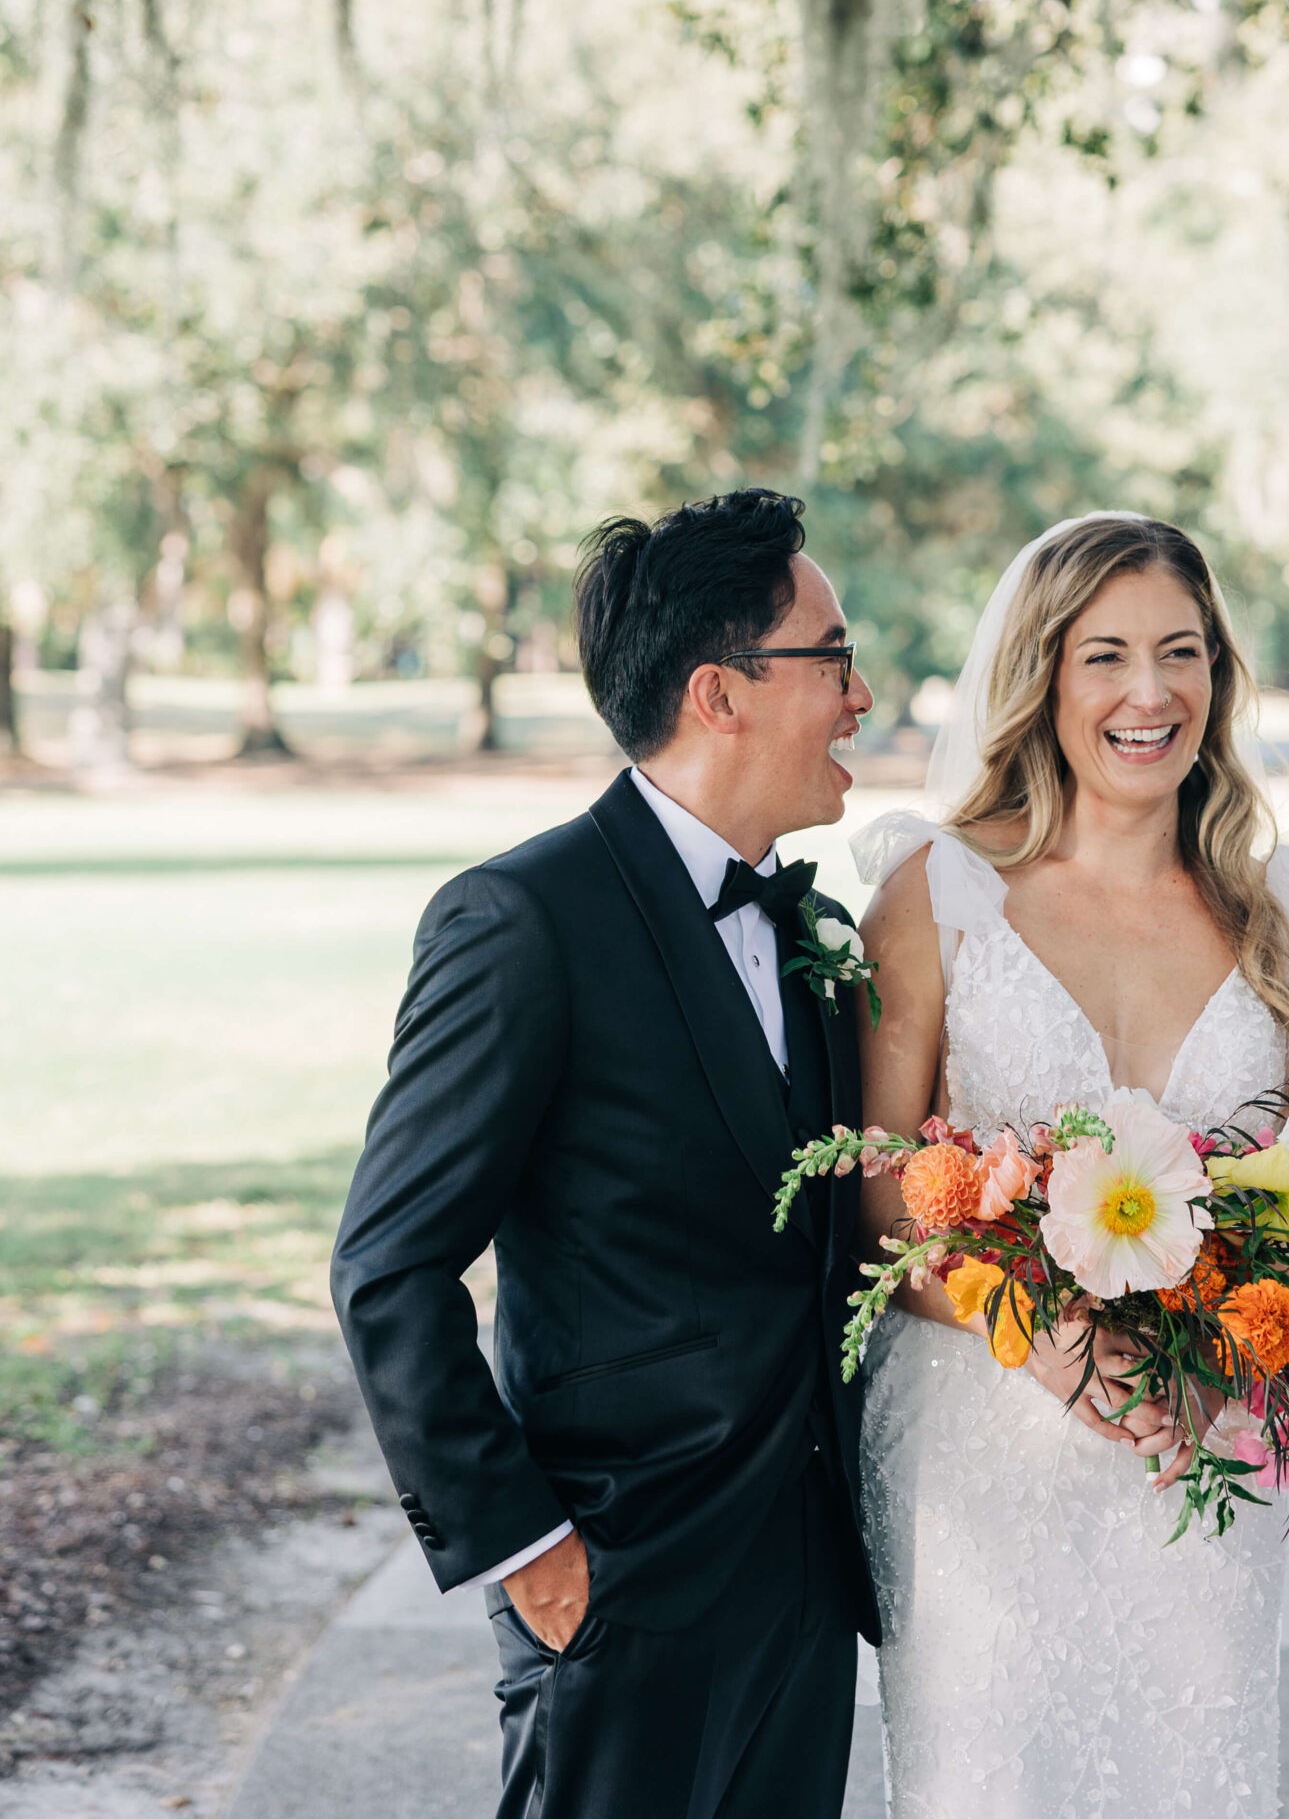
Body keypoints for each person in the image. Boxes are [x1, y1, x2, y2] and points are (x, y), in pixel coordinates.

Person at [331, 488, 880, 1819]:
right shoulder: (522, 921)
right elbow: (387, 1267)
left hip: (801, 1584)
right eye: (835, 657)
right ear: (722, 693)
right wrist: (525, 1545)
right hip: (615, 1582)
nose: (863, 698)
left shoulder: (825, 938)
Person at [853, 511, 1289, 1819]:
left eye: (1182, 653)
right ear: (1043, 675)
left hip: (1196, 1447)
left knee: (1186, 1773)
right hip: (983, 1438)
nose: (1152, 694)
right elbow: (876, 1191)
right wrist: (1043, 1336)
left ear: (1219, 676)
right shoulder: (938, 894)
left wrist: (1230, 1352)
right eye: (1108, 656)